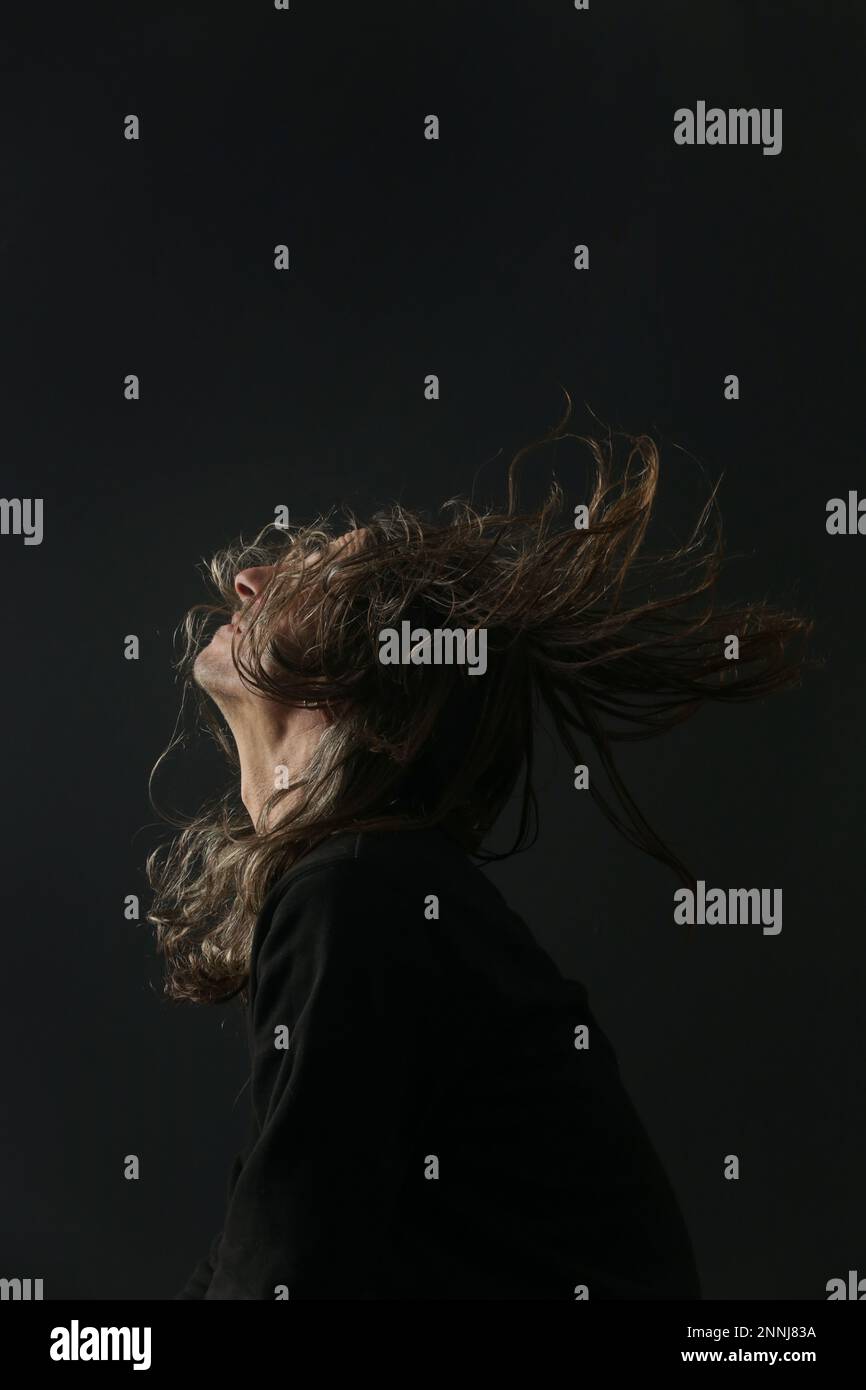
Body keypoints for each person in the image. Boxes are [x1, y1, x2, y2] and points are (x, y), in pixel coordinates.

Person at [148, 405, 810, 1299]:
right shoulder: (376, 894)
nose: (251, 579)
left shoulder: (357, 897)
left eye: (310, 585)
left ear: (381, 706)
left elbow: (280, 1276)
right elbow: (259, 1246)